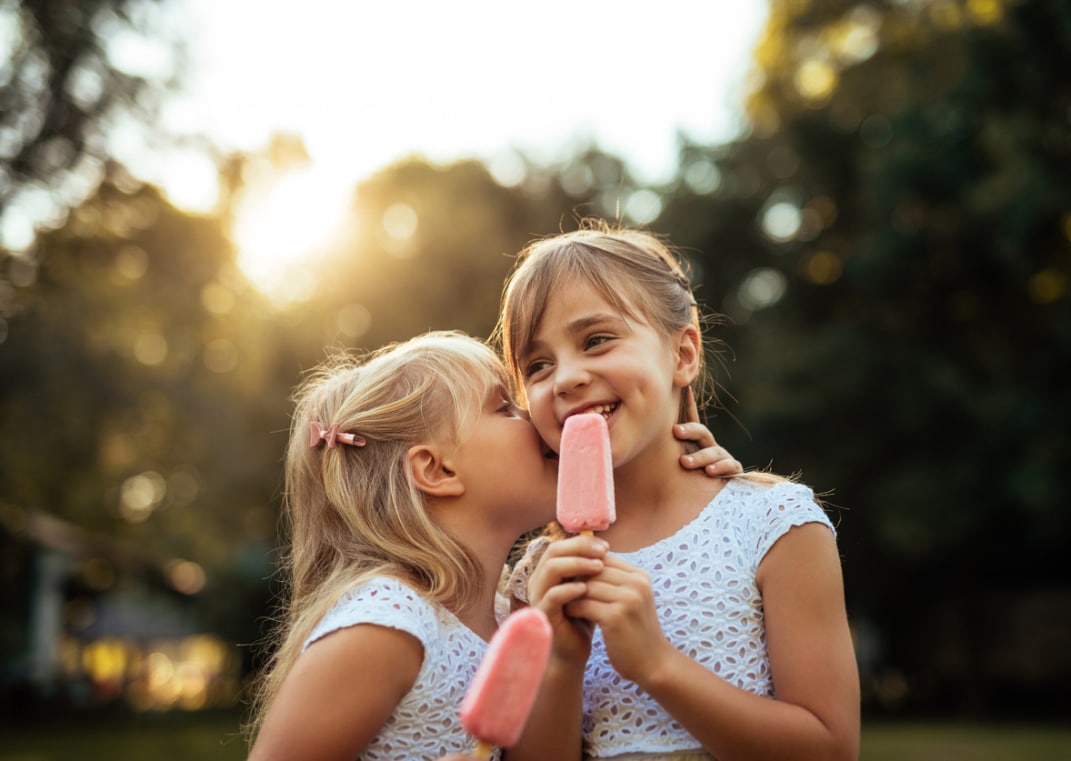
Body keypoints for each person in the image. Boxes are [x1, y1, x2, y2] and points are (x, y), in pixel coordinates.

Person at [244, 330, 743, 761]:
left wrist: (688, 481)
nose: (534, 416)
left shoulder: (510, 613)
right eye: (504, 408)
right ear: (437, 470)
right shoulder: (389, 621)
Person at [495, 221, 861, 761]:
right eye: (538, 365)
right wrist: (562, 662)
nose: (566, 377)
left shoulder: (774, 524)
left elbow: (831, 749)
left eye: (596, 340)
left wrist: (656, 664)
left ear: (684, 354)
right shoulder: (541, 570)